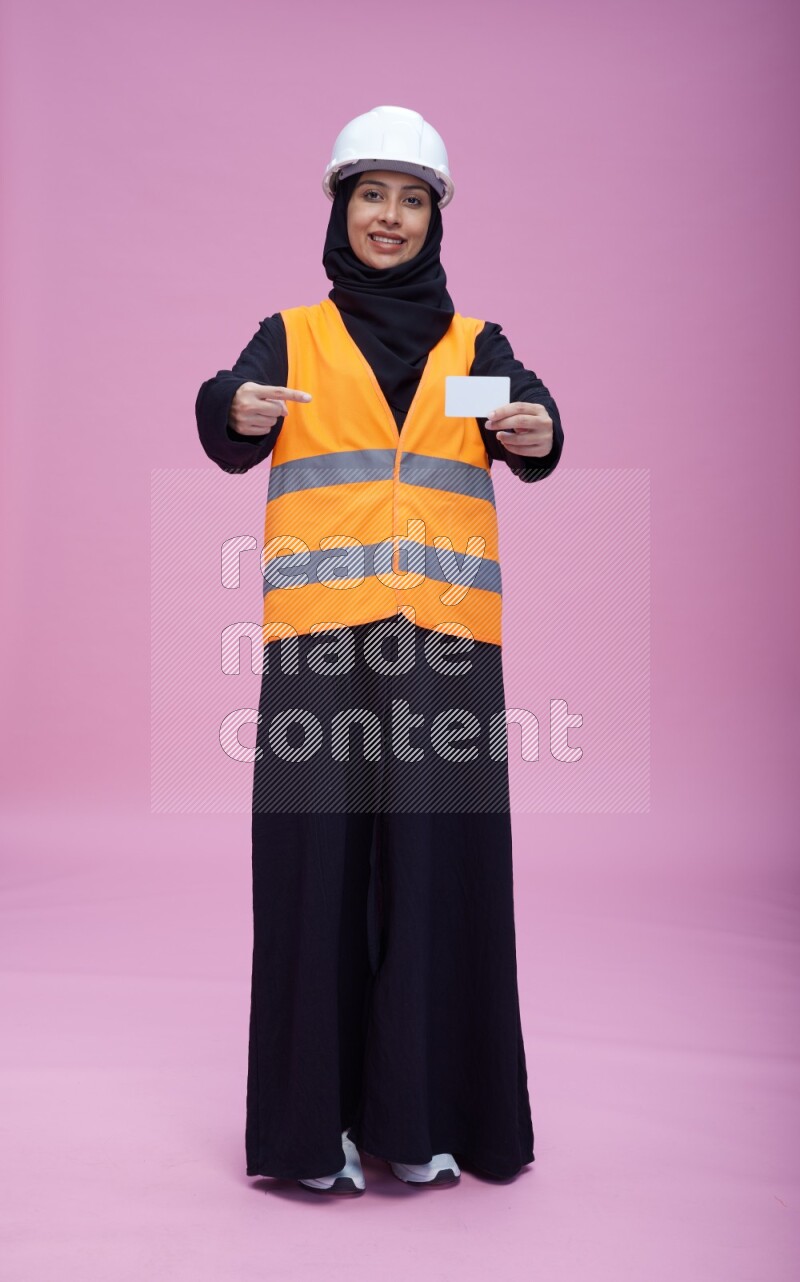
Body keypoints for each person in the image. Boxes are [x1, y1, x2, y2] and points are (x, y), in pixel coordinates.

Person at [195, 105, 564, 1196]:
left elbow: (529, 421)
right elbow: (227, 416)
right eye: (371, 195)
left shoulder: (470, 348)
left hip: (446, 651)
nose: (389, 217)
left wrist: (542, 430)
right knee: (313, 877)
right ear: (339, 207)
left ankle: (426, 1119)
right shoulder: (290, 336)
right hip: (317, 651)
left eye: (411, 199)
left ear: (435, 218)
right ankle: (312, 1134)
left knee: (437, 873)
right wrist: (234, 405)